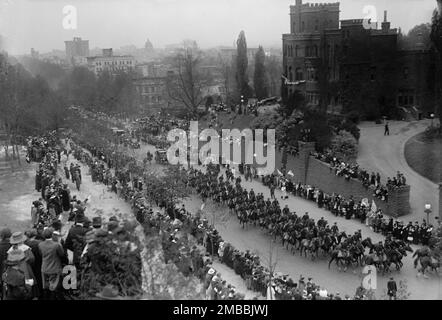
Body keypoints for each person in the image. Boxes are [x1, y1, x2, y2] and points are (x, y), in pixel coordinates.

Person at [38, 228, 65, 300]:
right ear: (52, 235)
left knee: (46, 288)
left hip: (44, 268)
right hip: (54, 268)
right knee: (53, 288)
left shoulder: (40, 244)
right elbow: (62, 254)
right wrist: (59, 243)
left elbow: (41, 254)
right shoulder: (56, 245)